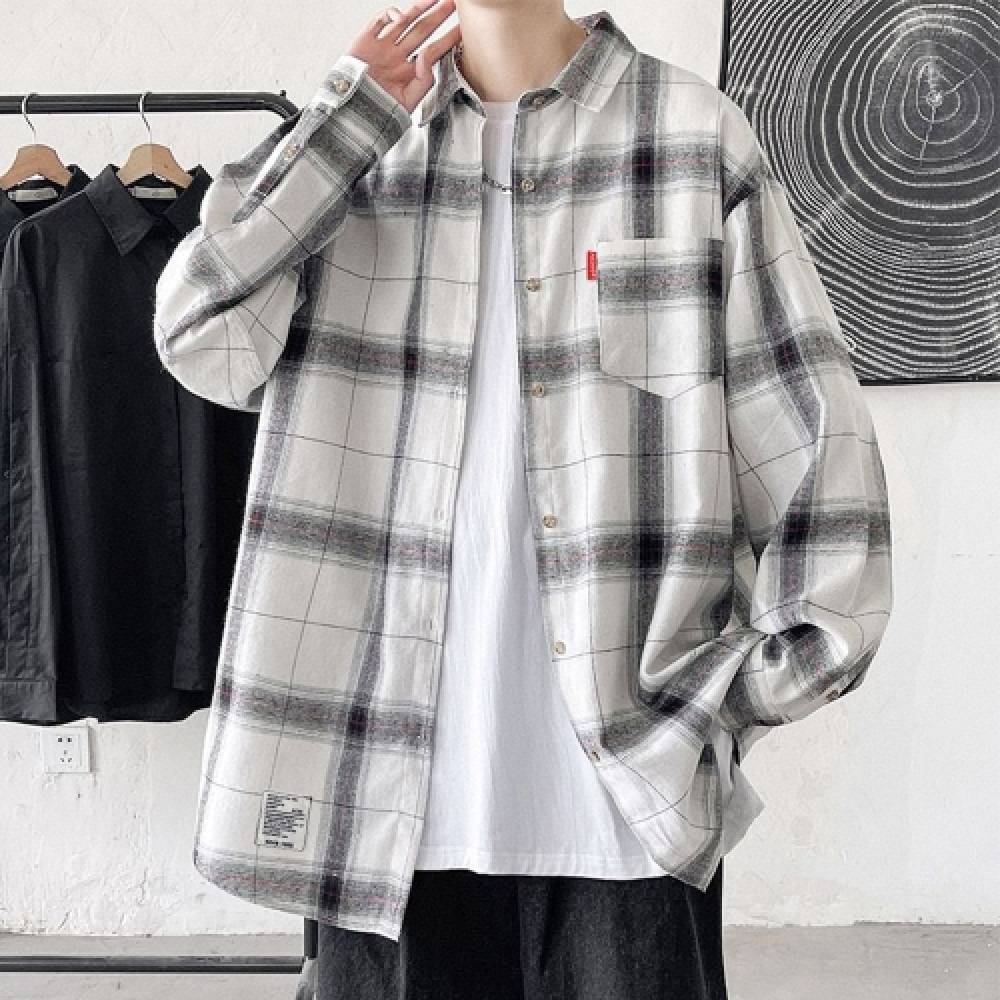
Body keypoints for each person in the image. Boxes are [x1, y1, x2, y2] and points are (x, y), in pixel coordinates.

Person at [152, 3, 894, 999]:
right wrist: (344, 122)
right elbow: (198, 335)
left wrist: (730, 701)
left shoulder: (689, 136)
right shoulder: (351, 151)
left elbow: (812, 444)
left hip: (628, 796)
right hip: (376, 800)